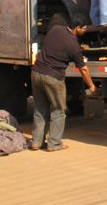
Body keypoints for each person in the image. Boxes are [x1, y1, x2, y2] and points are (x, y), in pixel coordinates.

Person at [30, 14, 96, 152]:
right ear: (77, 28)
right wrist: (91, 85)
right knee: (58, 110)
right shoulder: (74, 45)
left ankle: (36, 142)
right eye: (84, 28)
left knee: (40, 109)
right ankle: (54, 144)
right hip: (53, 78)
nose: (85, 31)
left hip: (36, 73)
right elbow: (83, 69)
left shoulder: (55, 29)